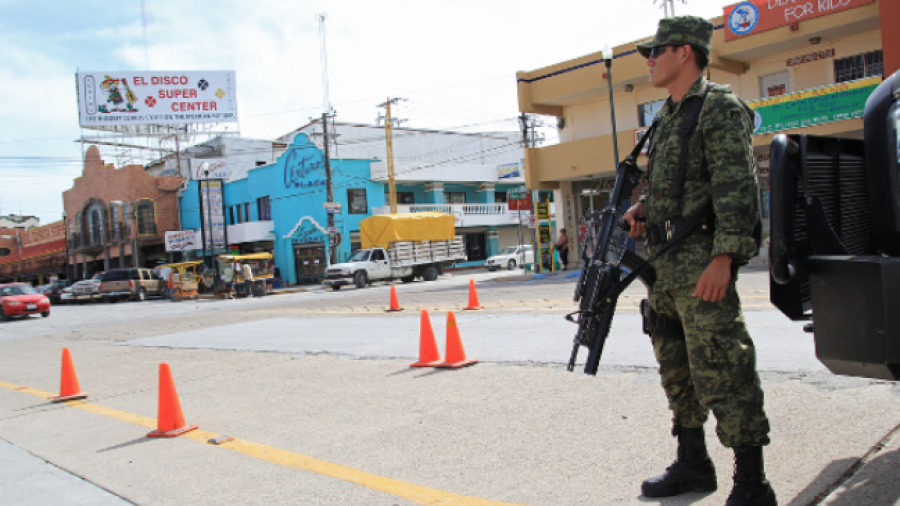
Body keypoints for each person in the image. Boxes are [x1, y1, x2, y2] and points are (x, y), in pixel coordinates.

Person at [624, 16, 775, 506]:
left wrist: (725, 257)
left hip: (702, 265)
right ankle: (693, 464)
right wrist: (644, 210)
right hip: (665, 268)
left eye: (657, 50)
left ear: (685, 52)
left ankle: (752, 484)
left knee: (724, 368)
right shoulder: (667, 118)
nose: (650, 59)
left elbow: (738, 189)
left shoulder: (718, 108)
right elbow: (679, 188)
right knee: (677, 369)